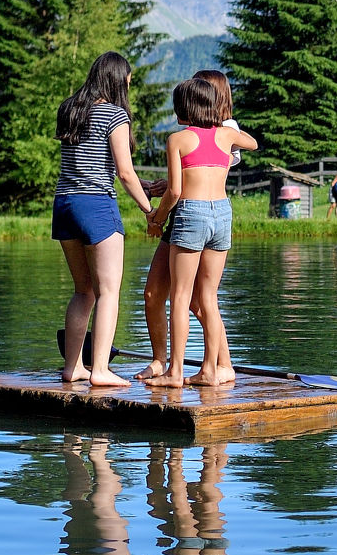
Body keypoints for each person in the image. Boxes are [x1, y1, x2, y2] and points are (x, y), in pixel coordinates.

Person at [145, 71, 257, 389]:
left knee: (180, 297)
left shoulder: (178, 140)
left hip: (192, 213)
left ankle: (175, 372)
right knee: (208, 297)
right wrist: (225, 127)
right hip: (222, 214)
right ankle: (210, 369)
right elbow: (253, 142)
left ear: (184, 110)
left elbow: (175, 192)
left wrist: (157, 219)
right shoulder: (226, 135)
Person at [53, 52, 156, 387]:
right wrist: (150, 211)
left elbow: (93, 163)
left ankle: (73, 368)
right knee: (109, 291)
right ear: (117, 79)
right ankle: (99, 369)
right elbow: (123, 173)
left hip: (65, 204)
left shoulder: (69, 109)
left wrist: (145, 187)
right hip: (97, 206)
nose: (129, 84)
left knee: (83, 291)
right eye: (128, 79)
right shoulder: (114, 115)